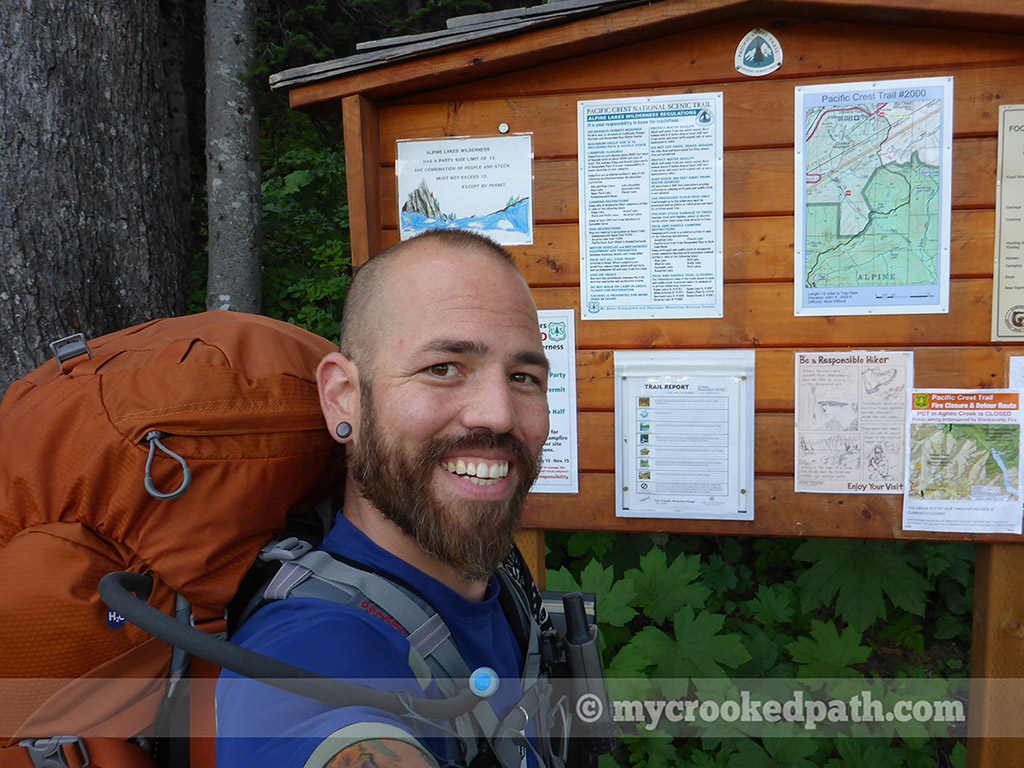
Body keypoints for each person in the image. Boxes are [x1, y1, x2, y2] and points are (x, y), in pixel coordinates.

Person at [216, 229, 552, 768]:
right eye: (443, 368)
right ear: (343, 397)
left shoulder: (502, 581)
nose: (499, 414)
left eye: (523, 376)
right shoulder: (302, 651)